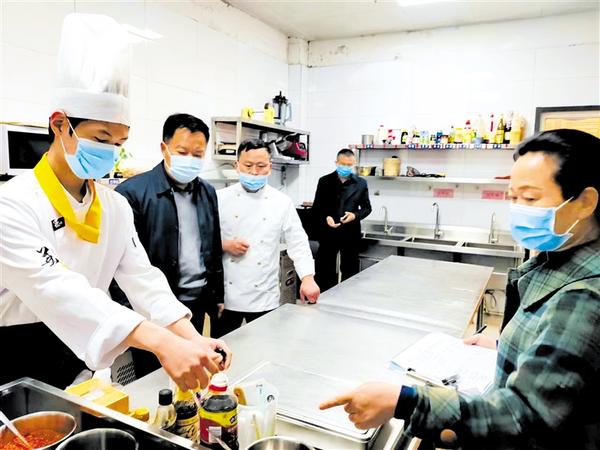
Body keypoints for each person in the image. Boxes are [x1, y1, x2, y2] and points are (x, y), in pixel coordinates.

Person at [320, 129, 600, 450]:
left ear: (585, 202)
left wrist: (405, 401)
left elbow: (523, 420)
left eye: (531, 198)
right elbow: (558, 355)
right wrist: (504, 345)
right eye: (512, 198)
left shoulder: (586, 295)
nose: (519, 209)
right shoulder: (557, 260)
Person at [0, 13, 230, 390]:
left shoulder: (113, 206)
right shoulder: (12, 205)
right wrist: (161, 343)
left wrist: (190, 337)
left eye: (119, 143)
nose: (110, 152)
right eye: (101, 138)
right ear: (60, 124)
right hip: (17, 352)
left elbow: (143, 278)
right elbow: (55, 289)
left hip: (83, 349)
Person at [112, 113, 223, 336]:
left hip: (197, 300)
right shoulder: (132, 193)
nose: (190, 159)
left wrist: (217, 294)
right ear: (164, 149)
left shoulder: (207, 192)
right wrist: (129, 311)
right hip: (152, 308)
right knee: (154, 359)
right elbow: (119, 260)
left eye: (198, 154)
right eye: (182, 152)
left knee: (192, 355)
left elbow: (214, 246)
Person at [216, 139, 320, 336]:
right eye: (248, 165)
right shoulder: (218, 198)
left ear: (270, 167)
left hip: (264, 295)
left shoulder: (281, 202)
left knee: (264, 346)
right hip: (226, 296)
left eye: (261, 166)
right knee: (222, 349)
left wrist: (307, 278)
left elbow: (297, 242)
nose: (254, 172)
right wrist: (224, 245)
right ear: (237, 166)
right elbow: (201, 240)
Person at [312, 149, 372, 291]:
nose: (345, 167)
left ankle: (348, 298)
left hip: (350, 233)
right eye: (343, 164)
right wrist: (326, 217)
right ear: (336, 162)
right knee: (324, 269)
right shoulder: (324, 181)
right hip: (328, 232)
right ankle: (323, 297)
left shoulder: (361, 183)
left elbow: (366, 208)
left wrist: (354, 216)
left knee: (350, 270)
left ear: (354, 164)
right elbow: (317, 207)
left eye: (349, 165)